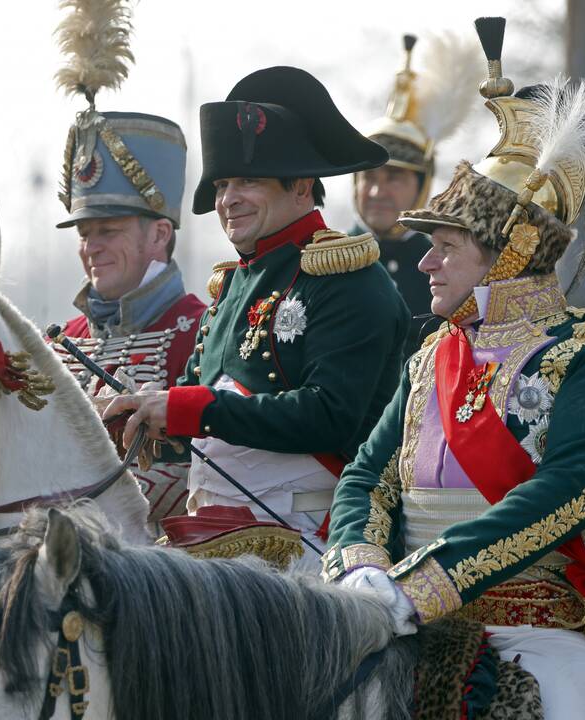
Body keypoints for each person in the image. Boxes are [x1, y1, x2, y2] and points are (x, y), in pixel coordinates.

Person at [325, 17, 585, 719]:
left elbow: (566, 494)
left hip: (540, 631)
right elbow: (366, 475)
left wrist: (419, 585)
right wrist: (359, 563)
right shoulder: (431, 358)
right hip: (402, 622)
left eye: (444, 245)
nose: (423, 262)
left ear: (508, 253)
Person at [102, 66, 409, 564]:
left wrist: (187, 409)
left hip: (315, 542)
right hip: (215, 533)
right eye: (222, 184)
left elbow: (330, 417)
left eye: (249, 181)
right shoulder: (232, 285)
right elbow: (211, 433)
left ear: (302, 186)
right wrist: (143, 419)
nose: (227, 200)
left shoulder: (350, 278)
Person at [51, 4, 206, 528]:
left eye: (108, 230)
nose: (91, 245)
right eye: (85, 232)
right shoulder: (62, 340)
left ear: (160, 234)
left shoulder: (201, 330)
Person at [352, 32, 479, 358]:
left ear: (422, 184)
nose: (378, 191)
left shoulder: (445, 266)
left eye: (394, 177)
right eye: (369, 177)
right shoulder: (323, 256)